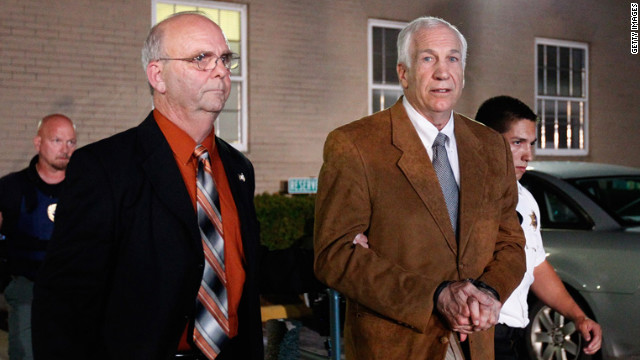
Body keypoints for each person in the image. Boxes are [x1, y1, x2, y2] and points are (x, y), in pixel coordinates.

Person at [31, 13, 309, 360]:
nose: (221, 71)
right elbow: (65, 303)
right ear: (157, 75)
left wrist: (330, 260)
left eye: (225, 58)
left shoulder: (238, 169)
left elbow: (240, 265)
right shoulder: (104, 168)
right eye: (201, 59)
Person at [314, 16, 526, 360]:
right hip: (396, 345)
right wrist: (435, 295)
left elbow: (511, 241)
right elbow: (333, 255)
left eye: (452, 58)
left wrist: (489, 291)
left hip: (474, 344)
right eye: (428, 59)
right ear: (403, 73)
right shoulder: (355, 145)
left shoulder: (489, 146)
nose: (443, 72)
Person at [474, 95, 602, 359]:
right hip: (478, 333)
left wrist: (578, 316)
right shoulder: (463, 195)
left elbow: (536, 265)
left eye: (531, 144)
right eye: (517, 142)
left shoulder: (526, 199)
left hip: (515, 334)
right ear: (486, 140)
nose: (528, 155)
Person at [0, 114, 77, 360]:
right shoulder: (11, 188)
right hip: (26, 289)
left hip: (72, 290)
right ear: (38, 143)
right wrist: (7, 284)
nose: (65, 149)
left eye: (71, 142)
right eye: (57, 140)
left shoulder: (85, 189)